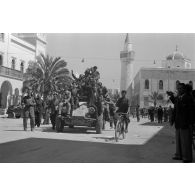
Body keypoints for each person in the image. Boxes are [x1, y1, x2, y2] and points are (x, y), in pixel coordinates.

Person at [169, 83, 194, 163]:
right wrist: (172, 120)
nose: (179, 90)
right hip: (178, 123)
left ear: (184, 89)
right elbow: (175, 109)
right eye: (178, 88)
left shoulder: (188, 98)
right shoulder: (179, 98)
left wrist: (190, 122)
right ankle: (179, 155)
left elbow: (191, 111)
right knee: (179, 140)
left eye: (180, 88)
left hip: (185, 123)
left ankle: (187, 158)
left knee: (185, 141)